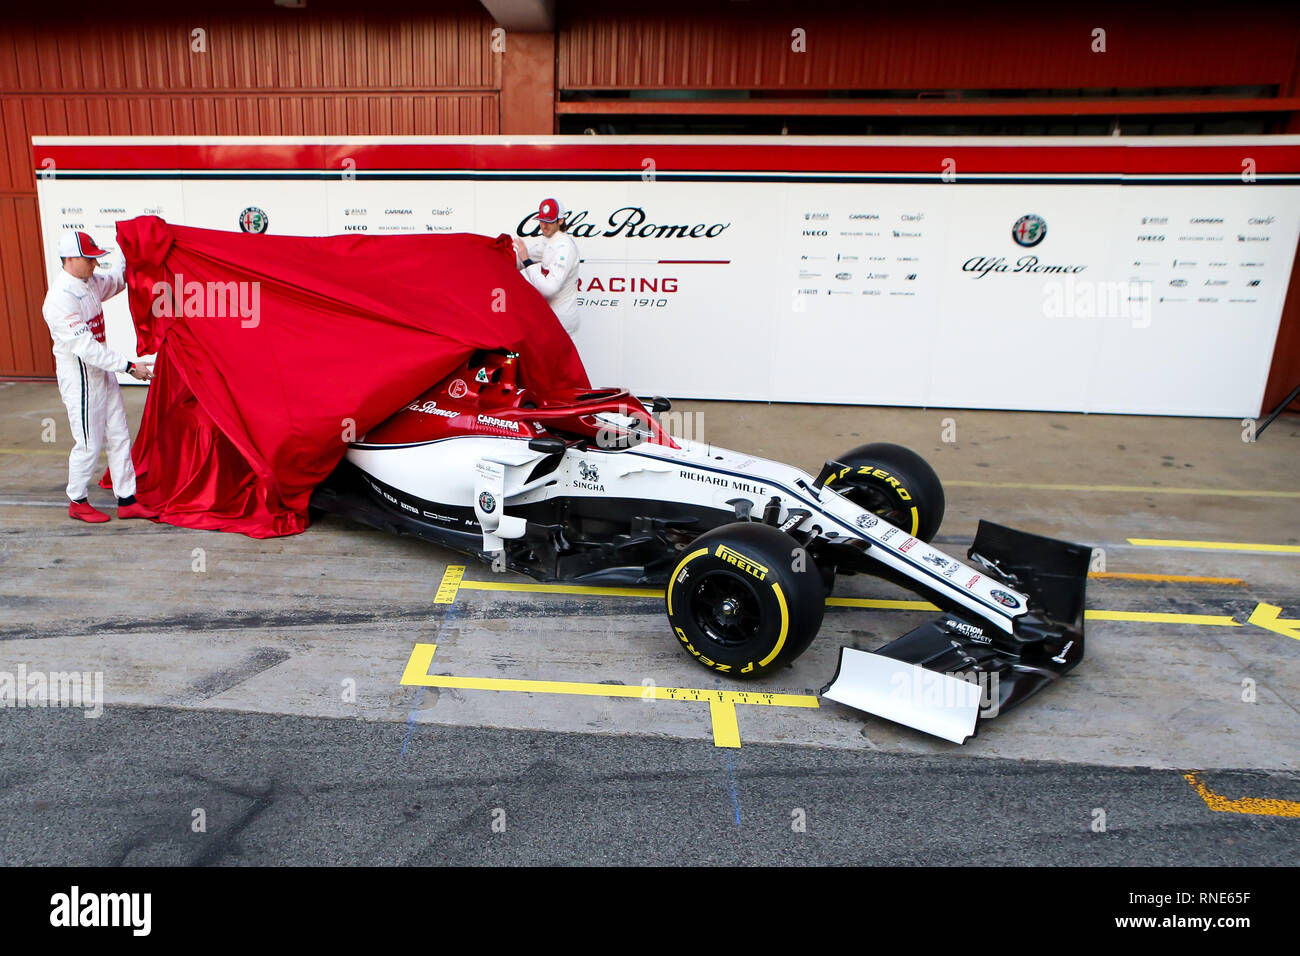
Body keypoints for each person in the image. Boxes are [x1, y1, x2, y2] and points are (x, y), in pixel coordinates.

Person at [42, 230, 157, 523]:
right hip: (80, 379)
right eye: (88, 259)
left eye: (95, 258)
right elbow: (87, 348)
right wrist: (130, 366)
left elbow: (117, 279)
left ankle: (127, 499)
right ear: (68, 259)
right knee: (89, 443)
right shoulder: (59, 298)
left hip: (101, 373)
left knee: (119, 433)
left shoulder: (88, 281)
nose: (94, 264)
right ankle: (77, 500)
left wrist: (127, 240)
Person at [513, 197, 580, 334]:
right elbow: (520, 260)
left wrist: (526, 261)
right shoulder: (549, 241)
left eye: (549, 221)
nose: (544, 225)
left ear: (560, 221)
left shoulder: (564, 247)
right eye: (542, 221)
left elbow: (549, 289)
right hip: (551, 317)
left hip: (562, 321)